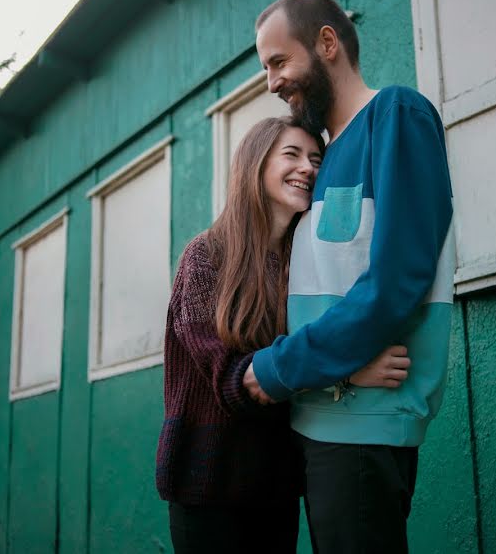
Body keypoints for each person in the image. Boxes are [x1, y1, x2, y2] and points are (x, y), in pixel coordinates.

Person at [242, 0, 455, 553]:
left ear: (327, 44)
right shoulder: (326, 156)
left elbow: (397, 281)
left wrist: (283, 367)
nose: (271, 83)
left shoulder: (397, 116)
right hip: (320, 422)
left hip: (364, 428)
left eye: (278, 62)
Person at [155, 116, 412, 554]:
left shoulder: (305, 260)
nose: (308, 168)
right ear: (255, 164)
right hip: (208, 483)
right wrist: (346, 370)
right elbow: (233, 381)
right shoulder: (205, 257)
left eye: (316, 159)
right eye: (291, 154)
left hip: (276, 481)